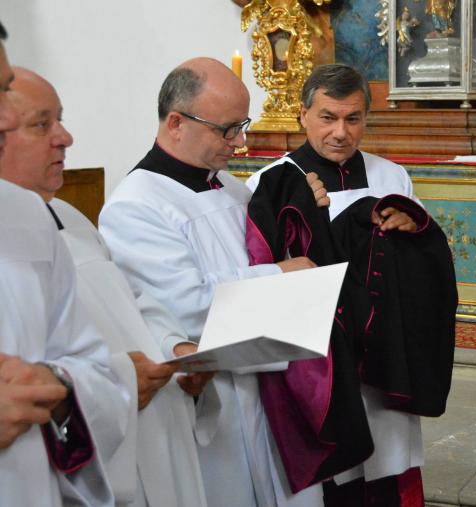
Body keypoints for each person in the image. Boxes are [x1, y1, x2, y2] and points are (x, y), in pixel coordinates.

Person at [98, 57, 325, 507]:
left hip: (267, 389)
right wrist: (281, 277)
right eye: (228, 130)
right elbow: (188, 308)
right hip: (212, 400)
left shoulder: (230, 188)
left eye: (242, 126)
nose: (240, 142)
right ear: (176, 123)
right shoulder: (135, 206)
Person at [0, 66, 215, 507]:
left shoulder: (69, 216)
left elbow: (129, 296)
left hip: (155, 416)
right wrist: (118, 376)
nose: (65, 138)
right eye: (41, 125)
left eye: (60, 120)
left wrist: (173, 346)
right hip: (94, 442)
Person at [247, 63, 445, 506]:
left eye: (353, 118)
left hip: (384, 351)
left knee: (387, 464)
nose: (340, 132)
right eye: (327, 117)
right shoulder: (271, 182)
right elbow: (262, 269)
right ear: (303, 115)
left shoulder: (391, 177)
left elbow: (419, 265)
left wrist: (413, 230)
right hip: (320, 355)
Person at [0, 21, 128, 506]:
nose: (5, 118)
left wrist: (55, 385)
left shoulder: (29, 216)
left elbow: (91, 367)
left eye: (5, 91)